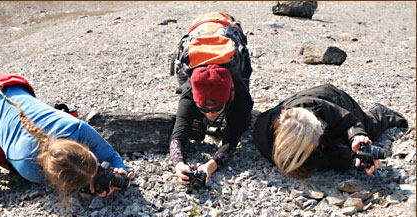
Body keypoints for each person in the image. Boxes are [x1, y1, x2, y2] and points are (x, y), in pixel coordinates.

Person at [0, 73, 133, 200]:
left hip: (0, 90)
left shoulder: (78, 129)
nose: (100, 168)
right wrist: (88, 188)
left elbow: (111, 155)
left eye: (97, 167)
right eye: (97, 166)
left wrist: (120, 171)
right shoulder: (28, 165)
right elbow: (64, 178)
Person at [252, 84, 408, 178]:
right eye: (316, 140)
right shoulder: (264, 140)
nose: (321, 137)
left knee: (369, 129)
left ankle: (383, 113)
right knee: (336, 143)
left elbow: (346, 120)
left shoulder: (306, 111)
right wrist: (352, 160)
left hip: (333, 99)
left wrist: (357, 135)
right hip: (304, 115)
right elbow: (326, 158)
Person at [169, 12, 254, 185]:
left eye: (216, 109)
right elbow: (177, 136)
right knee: (191, 123)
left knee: (243, 122)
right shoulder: (190, 92)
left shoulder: (239, 95)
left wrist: (211, 165)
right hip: (199, 31)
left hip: (224, 24)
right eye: (204, 109)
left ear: (229, 97)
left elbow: (232, 139)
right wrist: (178, 164)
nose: (210, 114)